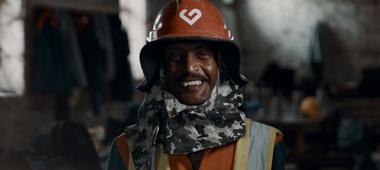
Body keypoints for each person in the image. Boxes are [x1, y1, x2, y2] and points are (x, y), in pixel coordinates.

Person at [107, 0, 286, 169]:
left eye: (203, 53)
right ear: (161, 68)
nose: (190, 67)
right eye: (175, 56)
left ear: (220, 65)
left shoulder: (267, 145)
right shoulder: (127, 150)